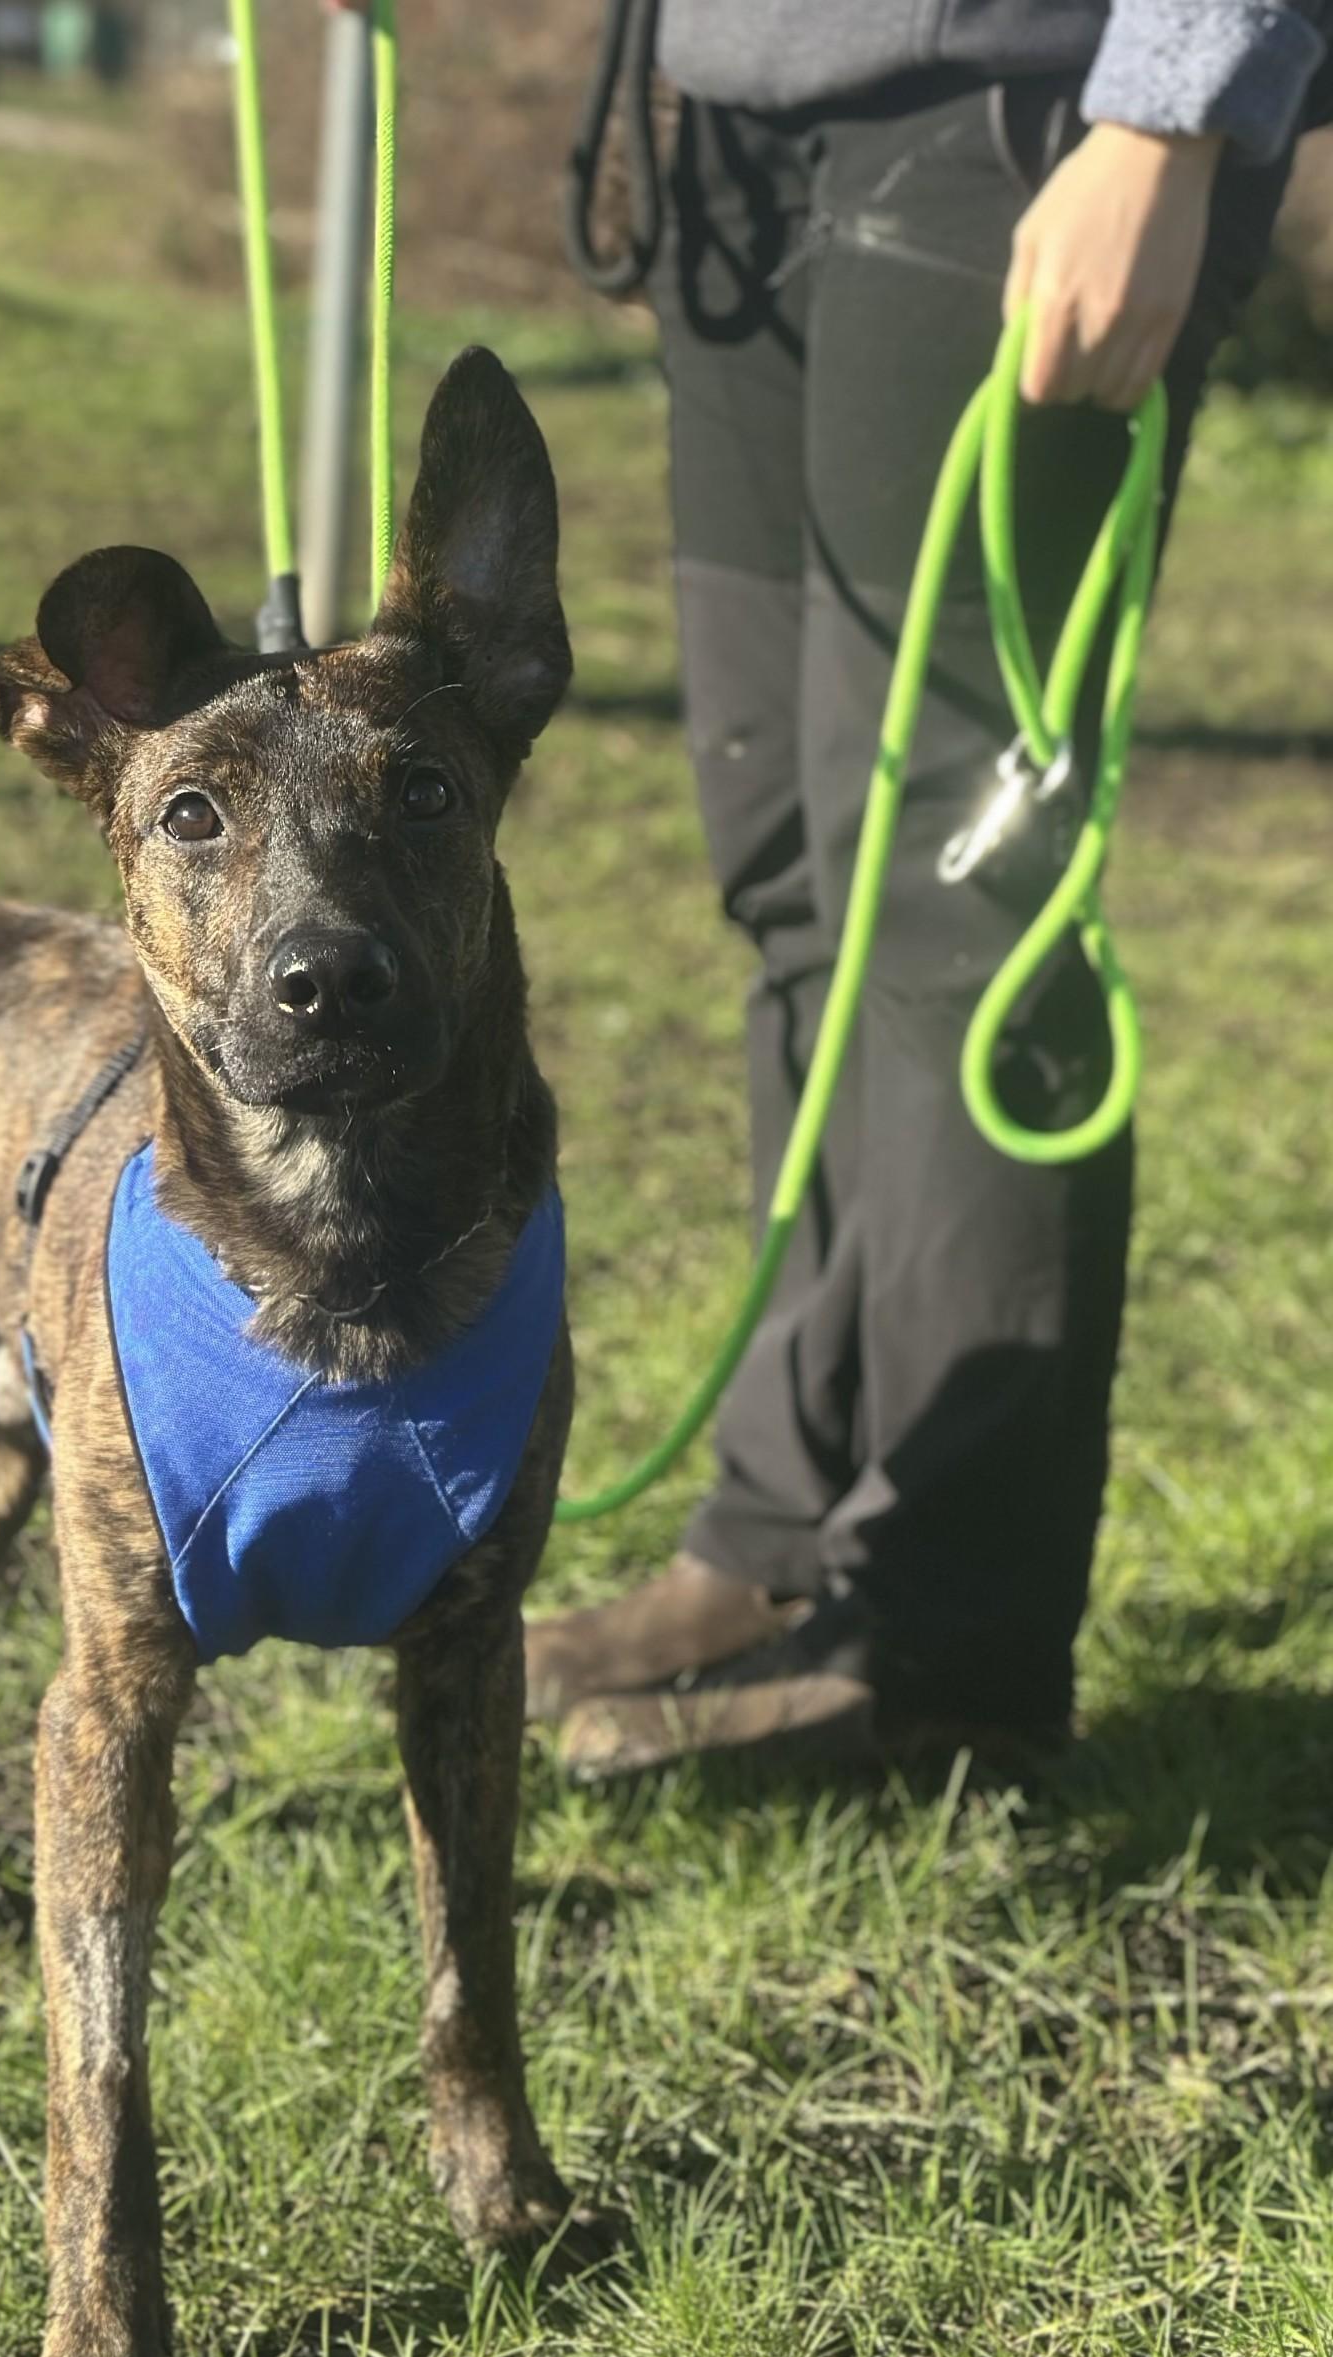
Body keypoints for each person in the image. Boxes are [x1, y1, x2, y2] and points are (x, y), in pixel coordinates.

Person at [519, 0, 1326, 1778]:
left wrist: (1173, 112)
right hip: (737, 116)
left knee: (968, 899)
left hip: (1027, 114)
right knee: (791, 867)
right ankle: (784, 1535)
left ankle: (957, 1642)